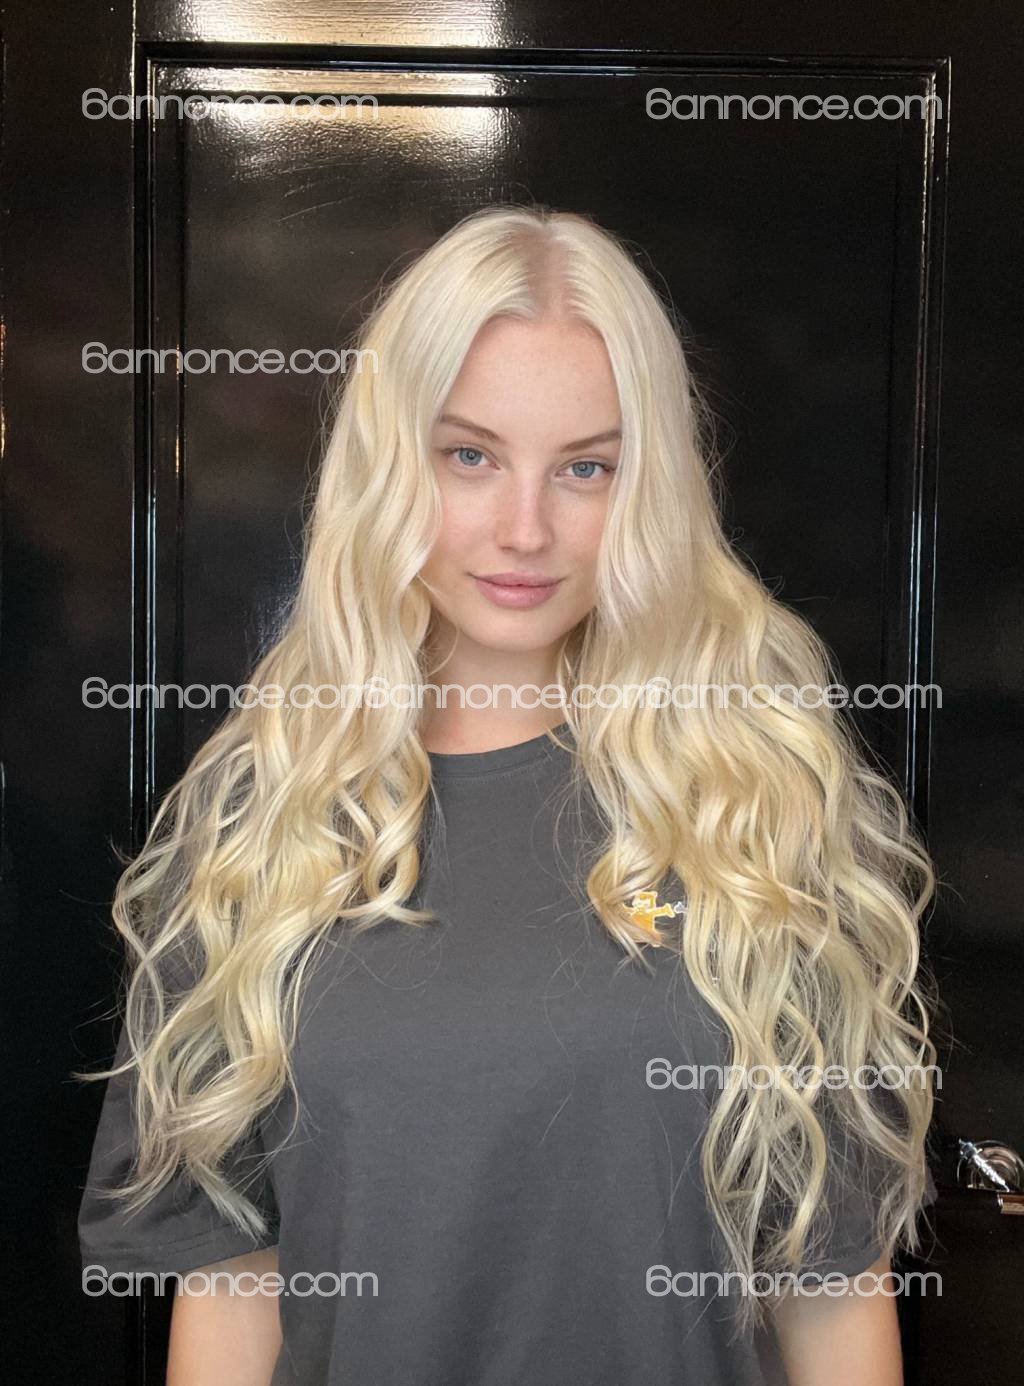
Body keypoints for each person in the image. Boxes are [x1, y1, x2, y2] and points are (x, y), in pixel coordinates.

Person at [76, 204, 939, 1385]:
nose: (524, 529)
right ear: (391, 463)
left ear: (649, 490)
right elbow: (232, 1291)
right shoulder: (258, 821)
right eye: (469, 456)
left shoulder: (758, 802)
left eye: (586, 468)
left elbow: (832, 1286)